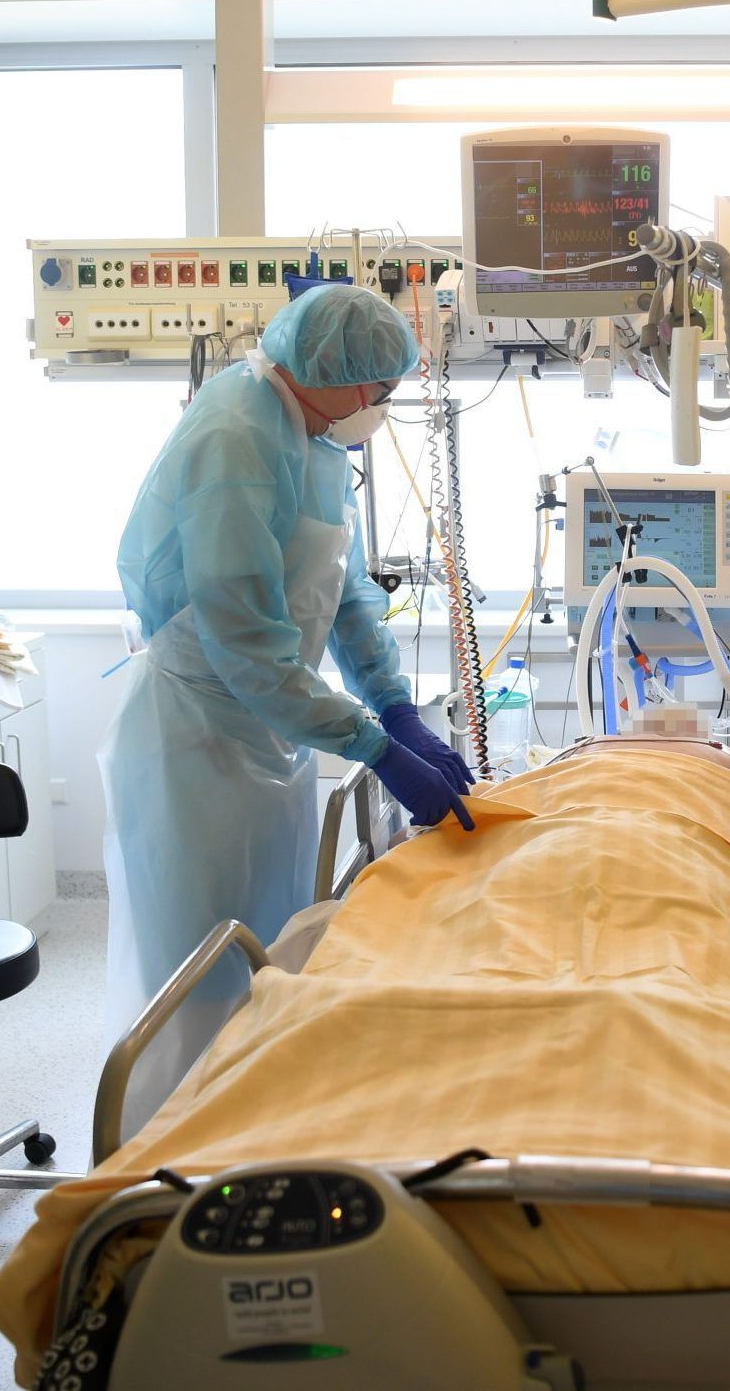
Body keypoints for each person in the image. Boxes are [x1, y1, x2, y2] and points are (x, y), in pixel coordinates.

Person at [101, 284, 477, 1128]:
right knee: (199, 975)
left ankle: (255, 1127)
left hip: (272, 735)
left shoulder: (314, 441)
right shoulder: (236, 438)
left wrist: (393, 704)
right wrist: (372, 746)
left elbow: (342, 595)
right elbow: (246, 640)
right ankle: (177, 1149)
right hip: (195, 740)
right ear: (333, 371)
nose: (382, 403)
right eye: (379, 387)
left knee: (269, 953)